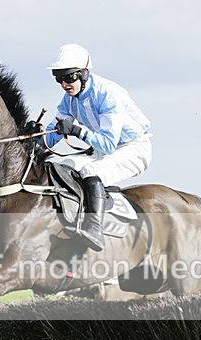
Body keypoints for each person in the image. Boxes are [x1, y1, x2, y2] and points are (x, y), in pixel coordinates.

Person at [27, 43, 152, 252]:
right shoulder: (69, 100)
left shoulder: (107, 94)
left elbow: (108, 144)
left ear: (84, 73)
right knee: (60, 165)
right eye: (59, 78)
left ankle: (94, 228)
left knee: (91, 171)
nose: (64, 84)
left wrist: (76, 131)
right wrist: (35, 136)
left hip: (133, 148)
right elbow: (53, 134)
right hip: (103, 150)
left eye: (69, 78)